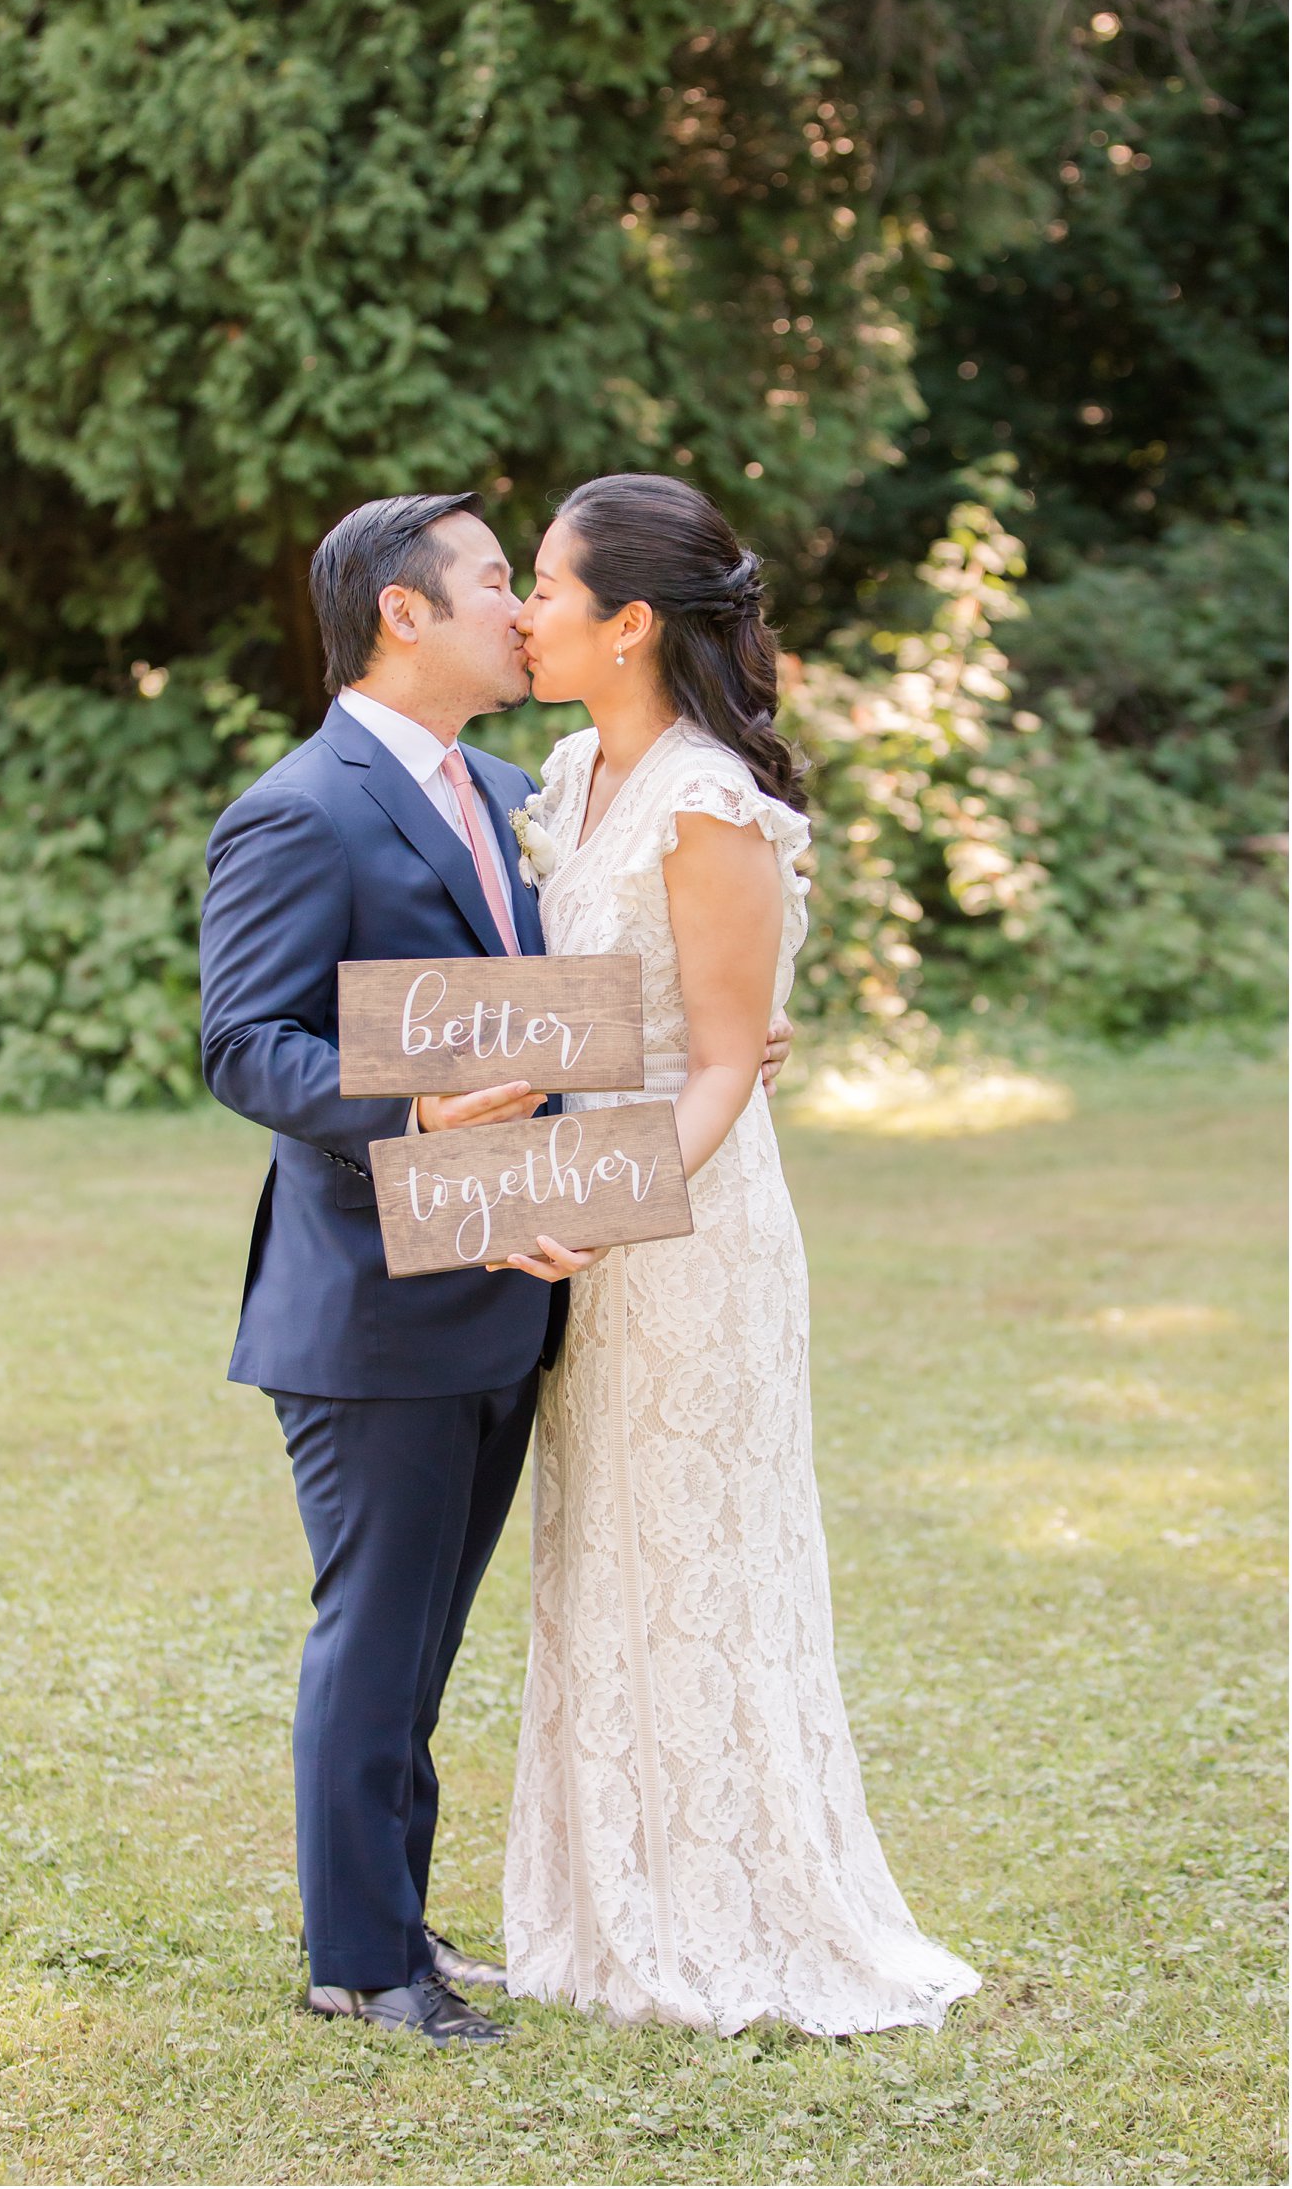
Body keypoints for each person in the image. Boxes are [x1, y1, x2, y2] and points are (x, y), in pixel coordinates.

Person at [199, 490, 791, 2046]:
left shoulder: (534, 788)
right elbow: (243, 1044)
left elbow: (604, 995)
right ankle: (359, 1956)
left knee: (429, 1638)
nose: (518, 611)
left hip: (518, 1278)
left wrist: (722, 1029)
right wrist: (402, 1102)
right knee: (377, 1626)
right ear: (405, 613)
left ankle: (393, 1913)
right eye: (488, 581)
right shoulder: (300, 807)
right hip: (371, 1301)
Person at [500, 473, 981, 2037]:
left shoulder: (709, 802)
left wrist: (600, 1190)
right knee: (604, 1548)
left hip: (688, 1232)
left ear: (630, 623)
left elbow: (718, 1065)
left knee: (701, 1550)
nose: (523, 612)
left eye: (550, 590)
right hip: (581, 1208)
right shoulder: (568, 771)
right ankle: (607, 1902)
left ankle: (735, 1908)